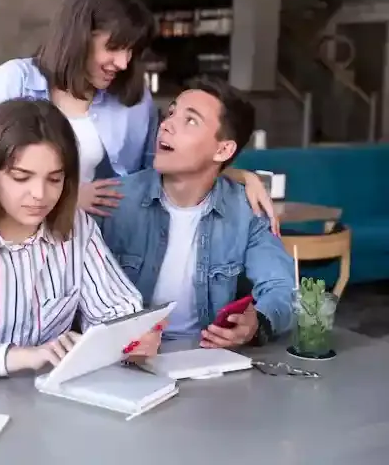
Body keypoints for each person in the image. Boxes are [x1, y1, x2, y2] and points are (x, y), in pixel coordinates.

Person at [0, 0, 276, 228]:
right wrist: (67, 199)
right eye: (114, 47)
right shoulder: (15, 80)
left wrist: (237, 176)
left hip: (104, 245)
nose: (123, 63)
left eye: (131, 51)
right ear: (80, 35)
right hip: (18, 241)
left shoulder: (133, 99)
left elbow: (168, 164)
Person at [0, 98, 163, 379]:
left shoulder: (77, 229)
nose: (40, 195)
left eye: (54, 179)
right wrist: (24, 357)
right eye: (21, 178)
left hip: (50, 397)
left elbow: (118, 312)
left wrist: (135, 336)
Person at [97, 77, 295, 348]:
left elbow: (282, 288)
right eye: (171, 113)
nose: (166, 125)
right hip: (122, 354)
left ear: (223, 149)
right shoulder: (113, 200)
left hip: (204, 355)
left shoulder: (246, 211)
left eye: (190, 120)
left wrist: (257, 322)